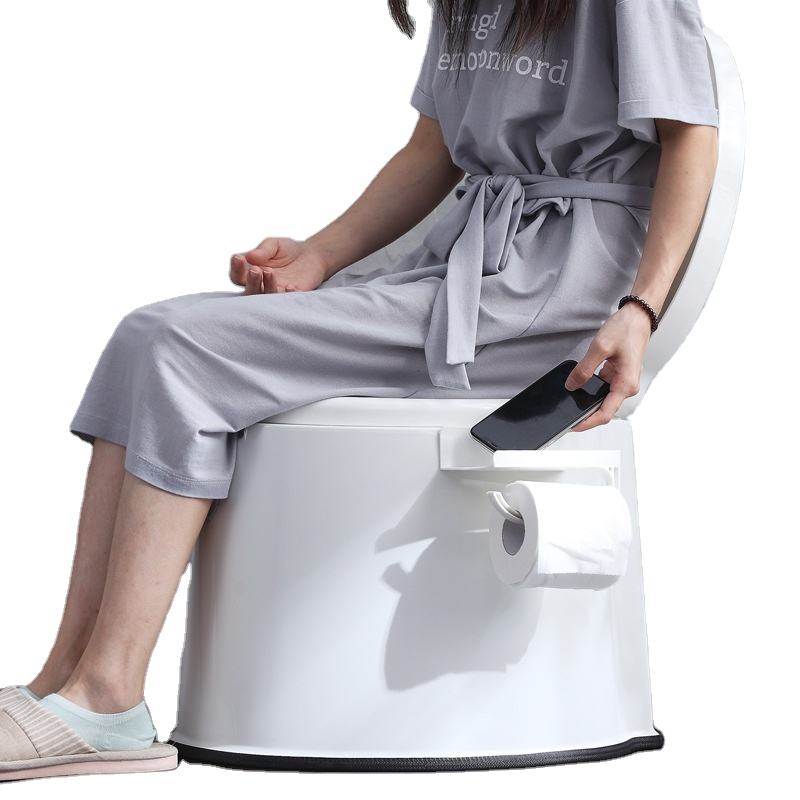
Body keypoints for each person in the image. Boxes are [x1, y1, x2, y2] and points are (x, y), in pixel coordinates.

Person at [0, 0, 719, 781]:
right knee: (143, 337)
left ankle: (109, 694)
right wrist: (319, 255)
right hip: (468, 259)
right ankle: (63, 682)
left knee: (182, 351)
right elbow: (433, 149)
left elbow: (693, 135)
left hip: (554, 288)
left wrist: (641, 310)